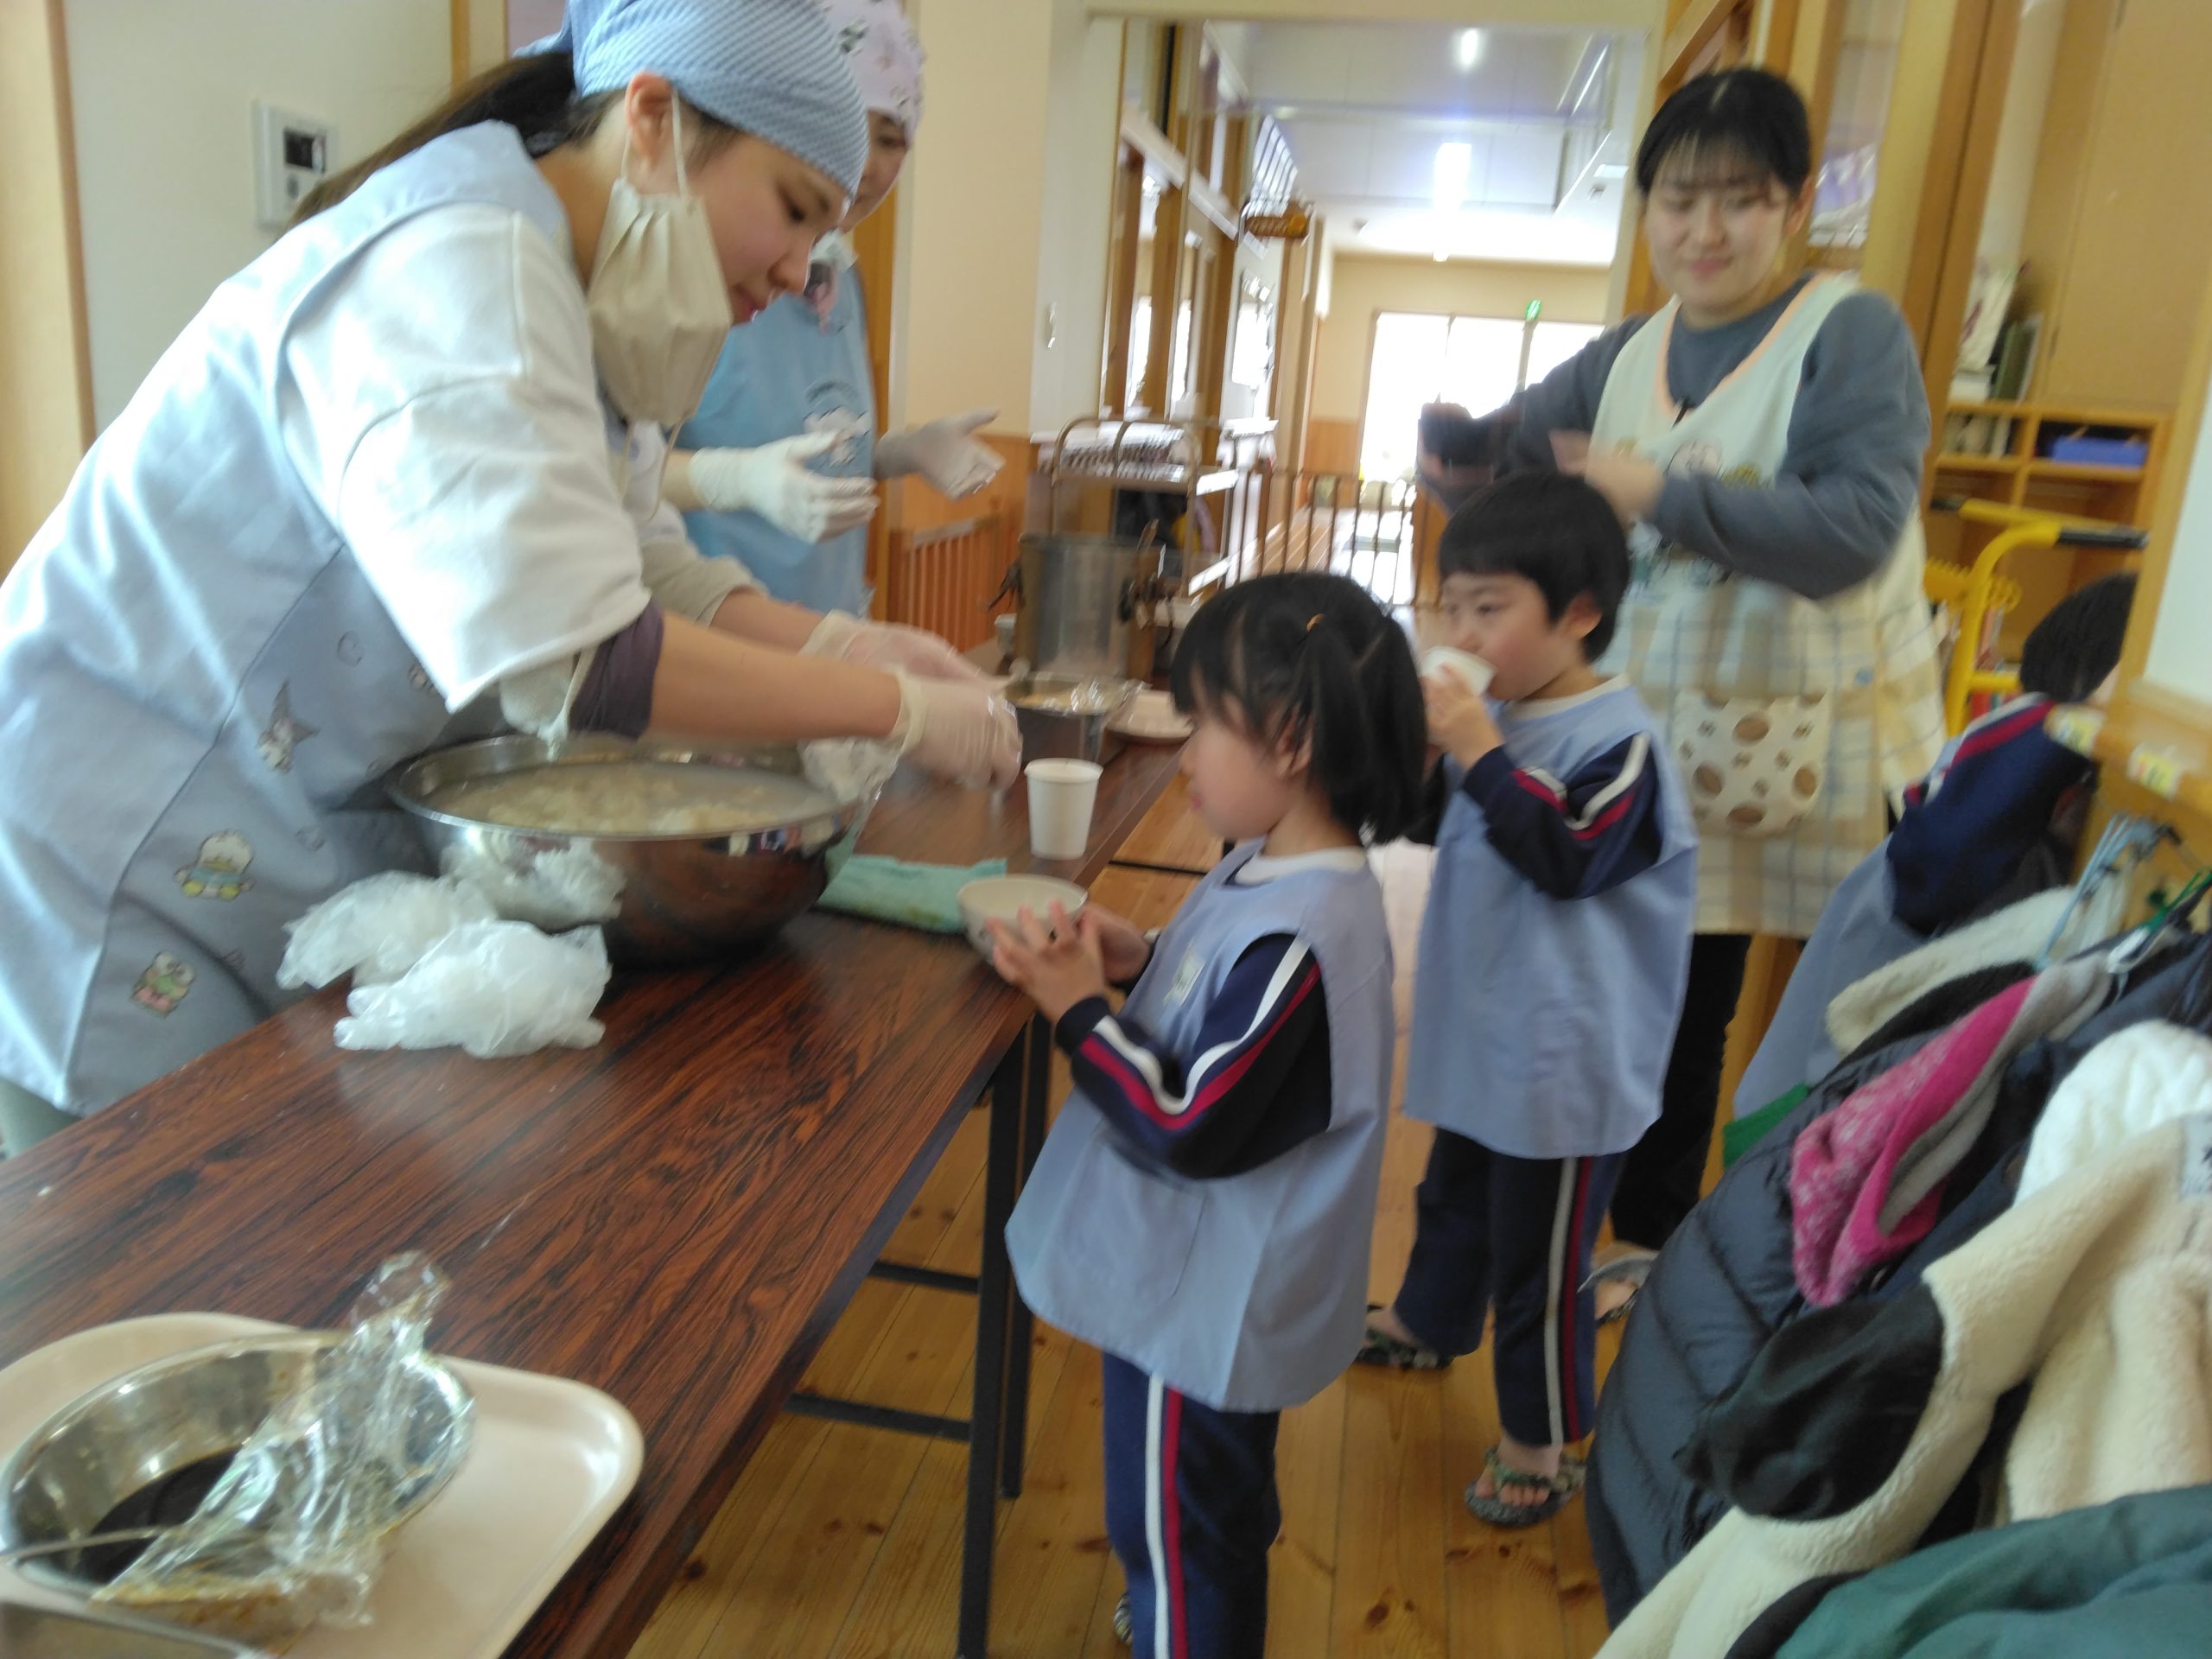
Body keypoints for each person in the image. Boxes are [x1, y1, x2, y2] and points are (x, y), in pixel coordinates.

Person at [0, 0, 1020, 1154]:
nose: (800, 271)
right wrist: (891, 707)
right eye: (795, 209)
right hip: (115, 871)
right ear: (653, 119)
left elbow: (641, 568)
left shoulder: (595, 299)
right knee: (143, 1238)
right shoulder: (456, 266)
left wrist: (845, 643)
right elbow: (581, 664)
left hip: (271, 854)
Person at [1419, 67, 1946, 1285]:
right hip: (1643, 738)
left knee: (1711, 1008)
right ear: (1645, 205)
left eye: (1740, 200)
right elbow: (1516, 461)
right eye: (1677, 199)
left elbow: (1855, 529)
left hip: (1789, 747)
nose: (1703, 230)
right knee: (1626, 988)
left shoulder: (1846, 332)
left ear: (1796, 205)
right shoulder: (1630, 350)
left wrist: (1651, 490)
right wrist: (1461, 467)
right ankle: (1569, 1246)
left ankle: (1663, 1251)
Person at [988, 572, 1425, 1659]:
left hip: (1201, 1304)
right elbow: (1228, 1027)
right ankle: (1193, 1604)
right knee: (1206, 1501)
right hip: (1199, 1281)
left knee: (1175, 1524)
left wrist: (1078, 1013)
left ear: (1290, 741)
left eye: (1200, 728)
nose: (1184, 754)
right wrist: (1140, 960)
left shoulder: (1303, 934)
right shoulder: (1276, 870)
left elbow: (1191, 1121)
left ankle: (1188, 1620)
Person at [1357, 474, 1698, 1525]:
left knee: (1539, 1264)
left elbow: (1567, 854)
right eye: (1450, 606)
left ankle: (1538, 1446)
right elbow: (1431, 824)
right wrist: (1426, 757)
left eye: (1489, 608)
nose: (1461, 632)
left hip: (1566, 1064)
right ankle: (1427, 1322)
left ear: (1578, 613)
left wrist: (1477, 749)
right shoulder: (1497, 719)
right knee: (1454, 1194)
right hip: (1488, 1029)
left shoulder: (1619, 743)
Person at [1734, 573, 2138, 1113]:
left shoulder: (2040, 796)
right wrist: (2079, 721)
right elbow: (1947, 858)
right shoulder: (2000, 773)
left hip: (1858, 1095)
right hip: (1813, 1100)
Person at [662, 0, 1001, 614]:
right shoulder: (708, 267)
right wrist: (738, 480)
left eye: (889, 139)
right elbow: (614, 471)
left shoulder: (844, 279)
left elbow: (809, 439)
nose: (862, 164)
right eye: (845, 126)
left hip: (830, 628)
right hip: (717, 632)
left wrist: (900, 451)